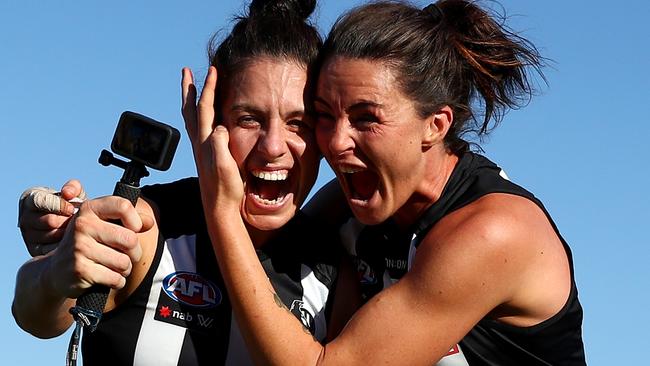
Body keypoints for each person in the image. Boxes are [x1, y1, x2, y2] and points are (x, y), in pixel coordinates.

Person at [187, 0, 586, 365]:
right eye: (324, 115)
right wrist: (134, 235)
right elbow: (265, 259)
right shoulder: (355, 203)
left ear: (435, 125)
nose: (336, 142)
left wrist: (218, 207)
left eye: (366, 118)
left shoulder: (492, 232)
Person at [12, 0, 357, 364]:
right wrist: (55, 274)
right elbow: (37, 315)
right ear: (207, 122)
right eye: (249, 119)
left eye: (297, 123)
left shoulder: (333, 270)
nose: (273, 146)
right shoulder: (150, 225)